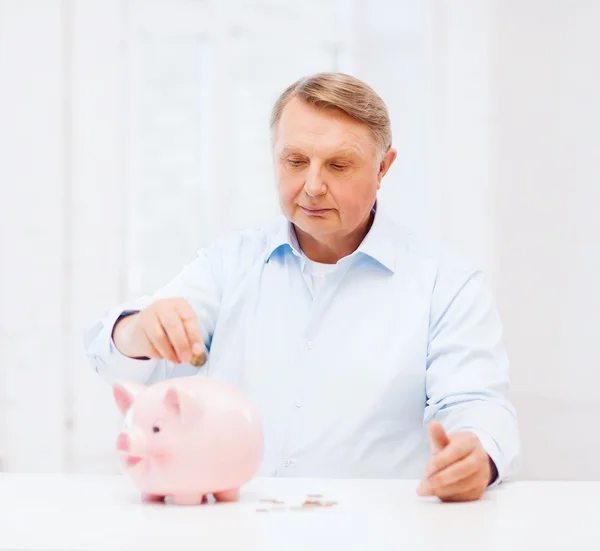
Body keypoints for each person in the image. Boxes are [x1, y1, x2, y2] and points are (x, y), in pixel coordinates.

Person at [84, 72, 520, 502]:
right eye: (295, 162)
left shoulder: (446, 284)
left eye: (339, 165)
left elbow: (476, 401)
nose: (312, 186)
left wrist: (477, 454)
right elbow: (120, 364)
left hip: (380, 532)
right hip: (238, 529)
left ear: (384, 167)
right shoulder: (229, 264)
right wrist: (138, 331)